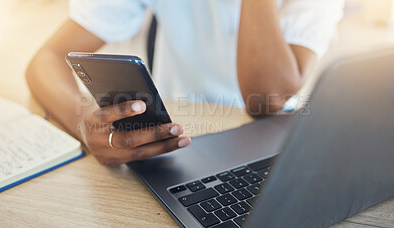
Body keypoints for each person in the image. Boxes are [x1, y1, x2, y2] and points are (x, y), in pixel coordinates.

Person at [26, 0, 344, 166]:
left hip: (267, 143)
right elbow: (46, 60)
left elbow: (267, 98)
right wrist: (84, 124)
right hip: (179, 141)